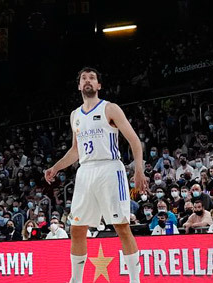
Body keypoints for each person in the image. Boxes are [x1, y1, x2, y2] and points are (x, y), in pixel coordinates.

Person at [43, 68, 148, 283]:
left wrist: (139, 169)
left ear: (99, 85)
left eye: (92, 78)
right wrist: (56, 167)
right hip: (85, 171)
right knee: (77, 228)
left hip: (109, 168)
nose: (88, 81)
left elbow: (135, 140)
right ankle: (77, 279)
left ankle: (135, 279)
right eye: (84, 78)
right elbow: (75, 150)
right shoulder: (75, 115)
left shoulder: (110, 108)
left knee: (121, 226)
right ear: (79, 86)